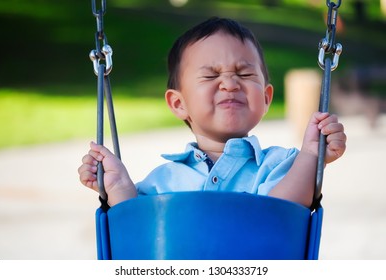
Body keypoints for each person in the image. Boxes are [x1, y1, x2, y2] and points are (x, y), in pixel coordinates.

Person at [78, 17, 346, 208]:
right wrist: (119, 188)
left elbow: (280, 214)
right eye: (210, 75)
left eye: (244, 73)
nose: (230, 83)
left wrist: (312, 156)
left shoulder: (281, 166)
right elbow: (139, 235)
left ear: (266, 98)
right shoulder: (162, 181)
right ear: (178, 104)